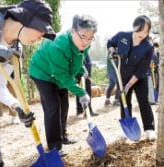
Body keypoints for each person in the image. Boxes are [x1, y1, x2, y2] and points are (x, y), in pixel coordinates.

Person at [0, 0, 54, 166]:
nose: (40, 39)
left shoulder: (16, 50)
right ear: (28, 20)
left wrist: (16, 106)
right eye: (41, 32)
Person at [29, 14, 97, 156]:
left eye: (90, 37)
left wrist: (80, 69)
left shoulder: (84, 43)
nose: (86, 41)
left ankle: (63, 136)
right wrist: (81, 93)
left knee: (64, 105)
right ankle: (55, 147)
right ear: (73, 31)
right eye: (83, 36)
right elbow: (63, 76)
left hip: (59, 72)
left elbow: (78, 57)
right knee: (53, 107)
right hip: (43, 73)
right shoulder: (58, 45)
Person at [107, 15, 156, 140]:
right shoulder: (122, 36)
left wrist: (128, 85)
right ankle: (127, 130)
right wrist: (112, 50)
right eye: (140, 30)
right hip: (122, 75)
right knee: (125, 101)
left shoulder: (148, 47)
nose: (143, 34)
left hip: (139, 78)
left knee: (143, 101)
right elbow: (110, 42)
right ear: (134, 27)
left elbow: (141, 70)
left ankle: (149, 128)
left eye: (146, 31)